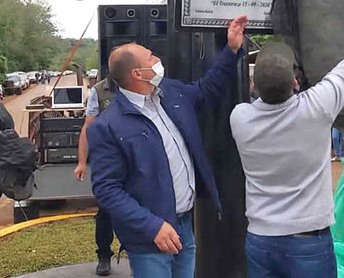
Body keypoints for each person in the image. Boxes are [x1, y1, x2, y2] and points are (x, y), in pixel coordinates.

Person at [229, 0, 344, 278]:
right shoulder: (316, 108)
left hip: (260, 240)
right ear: (295, 82)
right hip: (307, 243)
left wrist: (233, 49)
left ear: (254, 85)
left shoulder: (240, 119)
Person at [88, 15, 248, 278]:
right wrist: (152, 227)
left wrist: (231, 49)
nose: (158, 60)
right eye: (151, 58)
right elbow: (107, 190)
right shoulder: (108, 127)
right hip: (150, 238)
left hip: (184, 225)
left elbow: (207, 88)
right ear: (137, 74)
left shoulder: (171, 94)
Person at [73, 77, 118, 276]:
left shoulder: (141, 83)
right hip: (107, 159)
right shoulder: (99, 91)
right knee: (105, 210)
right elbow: (88, 127)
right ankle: (104, 255)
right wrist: (82, 162)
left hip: (136, 156)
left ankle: (137, 255)